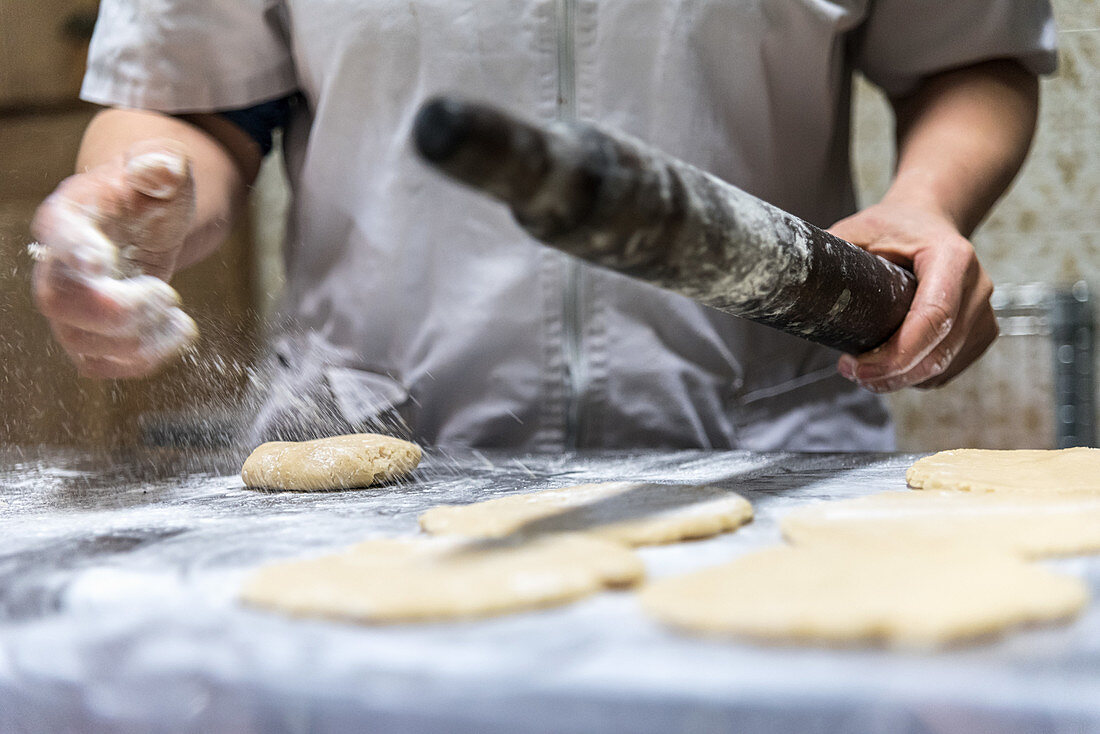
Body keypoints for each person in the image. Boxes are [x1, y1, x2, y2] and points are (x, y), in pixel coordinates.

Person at [31, 0, 1056, 451]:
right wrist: (132, 196)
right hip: (376, 460)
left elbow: (966, 50)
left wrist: (926, 200)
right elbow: (196, 102)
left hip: (764, 444)